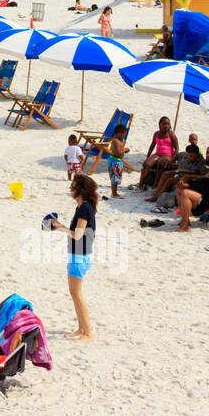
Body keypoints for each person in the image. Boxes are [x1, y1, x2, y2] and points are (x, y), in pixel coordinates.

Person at [49, 173, 97, 341]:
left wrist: (59, 227)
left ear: (80, 190)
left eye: (72, 187)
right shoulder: (82, 207)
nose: (70, 189)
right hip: (78, 254)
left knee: (77, 295)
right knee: (75, 294)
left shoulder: (85, 207)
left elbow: (77, 234)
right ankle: (81, 329)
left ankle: (88, 333)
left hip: (80, 256)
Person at [136, 116, 177, 189]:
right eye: (164, 124)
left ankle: (156, 184)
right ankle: (141, 183)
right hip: (157, 154)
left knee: (160, 164)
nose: (166, 126)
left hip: (167, 155)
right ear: (160, 125)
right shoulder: (156, 134)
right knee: (147, 164)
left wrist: (174, 159)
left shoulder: (171, 134)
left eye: (168, 124)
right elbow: (152, 145)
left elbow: (177, 148)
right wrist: (148, 156)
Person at [106, 125, 129, 199]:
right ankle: (114, 193)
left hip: (113, 160)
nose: (124, 137)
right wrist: (125, 149)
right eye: (124, 135)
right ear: (119, 133)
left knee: (114, 178)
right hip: (116, 161)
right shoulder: (117, 141)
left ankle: (114, 192)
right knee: (115, 178)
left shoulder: (115, 140)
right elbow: (119, 152)